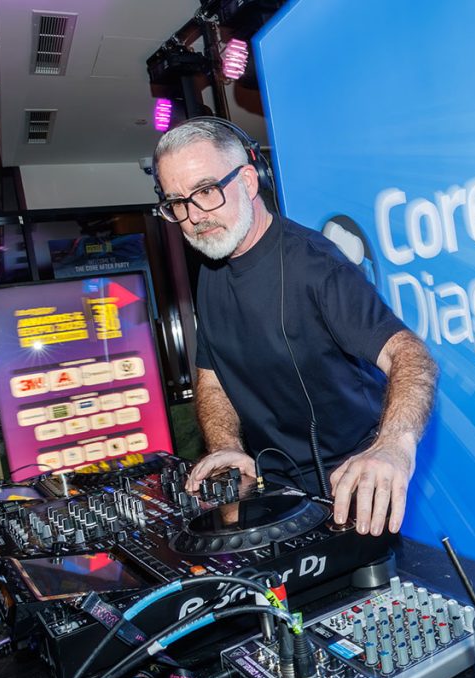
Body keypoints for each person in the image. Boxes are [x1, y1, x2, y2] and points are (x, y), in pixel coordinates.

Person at [153, 118, 437, 537]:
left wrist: (394, 446)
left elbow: (409, 353)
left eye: (207, 191)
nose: (194, 216)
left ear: (248, 180)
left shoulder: (316, 266)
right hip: (271, 492)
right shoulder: (211, 267)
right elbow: (212, 377)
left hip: (350, 488)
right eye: (177, 202)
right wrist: (227, 446)